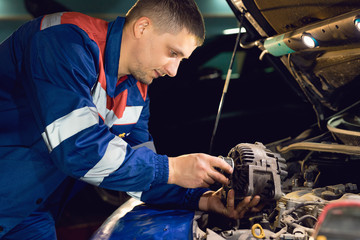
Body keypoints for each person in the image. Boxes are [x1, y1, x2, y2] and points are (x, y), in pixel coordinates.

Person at [0, 0, 260, 239]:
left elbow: (138, 166)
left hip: (30, 212)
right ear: (143, 27)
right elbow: (78, 148)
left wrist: (203, 198)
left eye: (182, 59)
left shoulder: (136, 89)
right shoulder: (63, 42)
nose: (173, 71)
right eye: (172, 52)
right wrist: (173, 168)